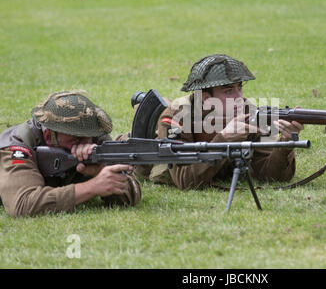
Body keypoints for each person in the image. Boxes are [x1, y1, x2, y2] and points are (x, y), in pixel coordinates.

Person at [137, 54, 304, 189]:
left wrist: (285, 143)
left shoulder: (248, 111)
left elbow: (270, 176)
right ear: (206, 99)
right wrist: (224, 139)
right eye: (229, 91)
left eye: (240, 87)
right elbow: (184, 180)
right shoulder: (177, 117)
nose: (240, 98)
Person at [0, 91, 141, 217]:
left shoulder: (95, 138)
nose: (85, 143)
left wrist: (101, 170)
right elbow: (22, 204)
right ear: (49, 136)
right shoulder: (19, 145)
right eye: (75, 138)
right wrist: (92, 187)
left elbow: (130, 196)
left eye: (87, 137)